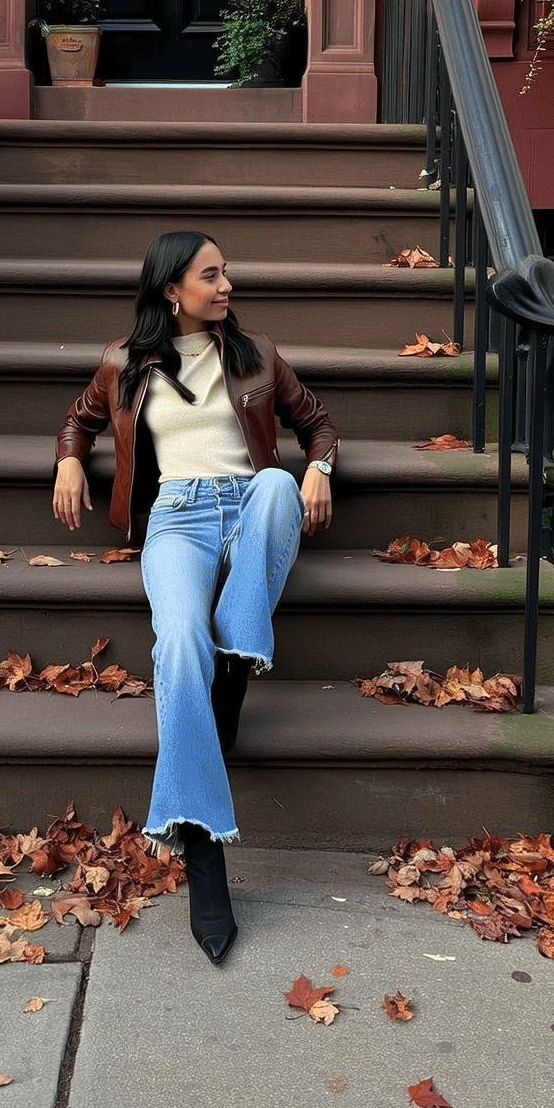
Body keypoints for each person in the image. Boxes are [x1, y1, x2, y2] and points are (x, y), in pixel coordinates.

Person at [52, 229, 338, 967]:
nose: (227, 285)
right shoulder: (124, 361)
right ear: (171, 290)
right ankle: (203, 845)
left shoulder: (257, 354)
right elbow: (80, 418)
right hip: (175, 515)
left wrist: (320, 470)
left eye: (227, 273)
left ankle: (235, 664)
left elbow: (317, 424)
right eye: (211, 276)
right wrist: (69, 464)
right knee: (178, 643)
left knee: (278, 482)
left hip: (252, 502)